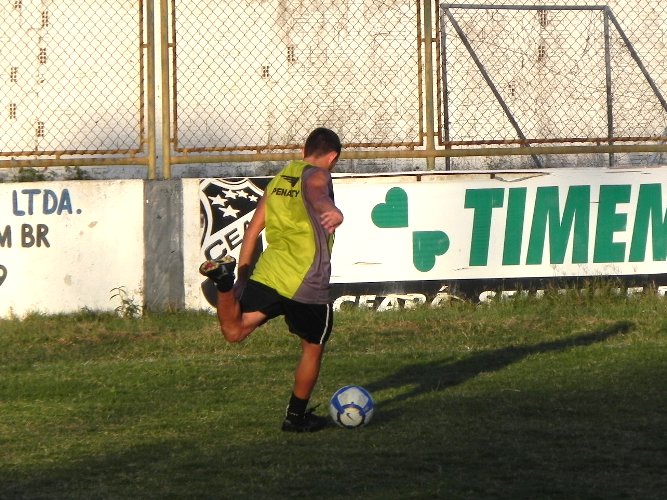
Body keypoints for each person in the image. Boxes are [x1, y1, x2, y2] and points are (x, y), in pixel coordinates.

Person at [199, 127, 344, 433]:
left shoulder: (279, 179)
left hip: (268, 273)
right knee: (312, 346)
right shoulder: (319, 175)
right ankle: (295, 418)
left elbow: (252, 231)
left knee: (235, 332)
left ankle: (222, 287)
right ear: (332, 156)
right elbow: (318, 193)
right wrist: (332, 210)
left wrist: (240, 278)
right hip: (306, 281)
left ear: (305, 150)